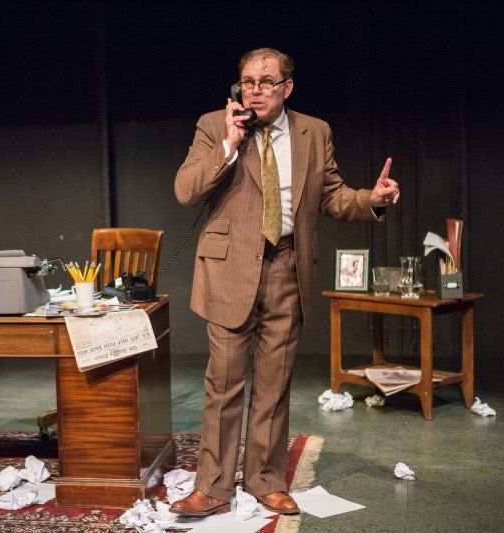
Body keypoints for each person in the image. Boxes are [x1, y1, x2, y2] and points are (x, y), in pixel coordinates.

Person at [172, 48, 399, 516]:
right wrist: (229, 144)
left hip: (287, 268)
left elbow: (333, 196)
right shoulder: (215, 124)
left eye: (266, 82)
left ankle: (265, 480)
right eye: (248, 81)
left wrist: (371, 199)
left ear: (287, 87)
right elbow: (186, 189)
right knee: (225, 383)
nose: (255, 90)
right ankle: (212, 488)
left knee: (273, 385)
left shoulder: (314, 132)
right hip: (230, 270)